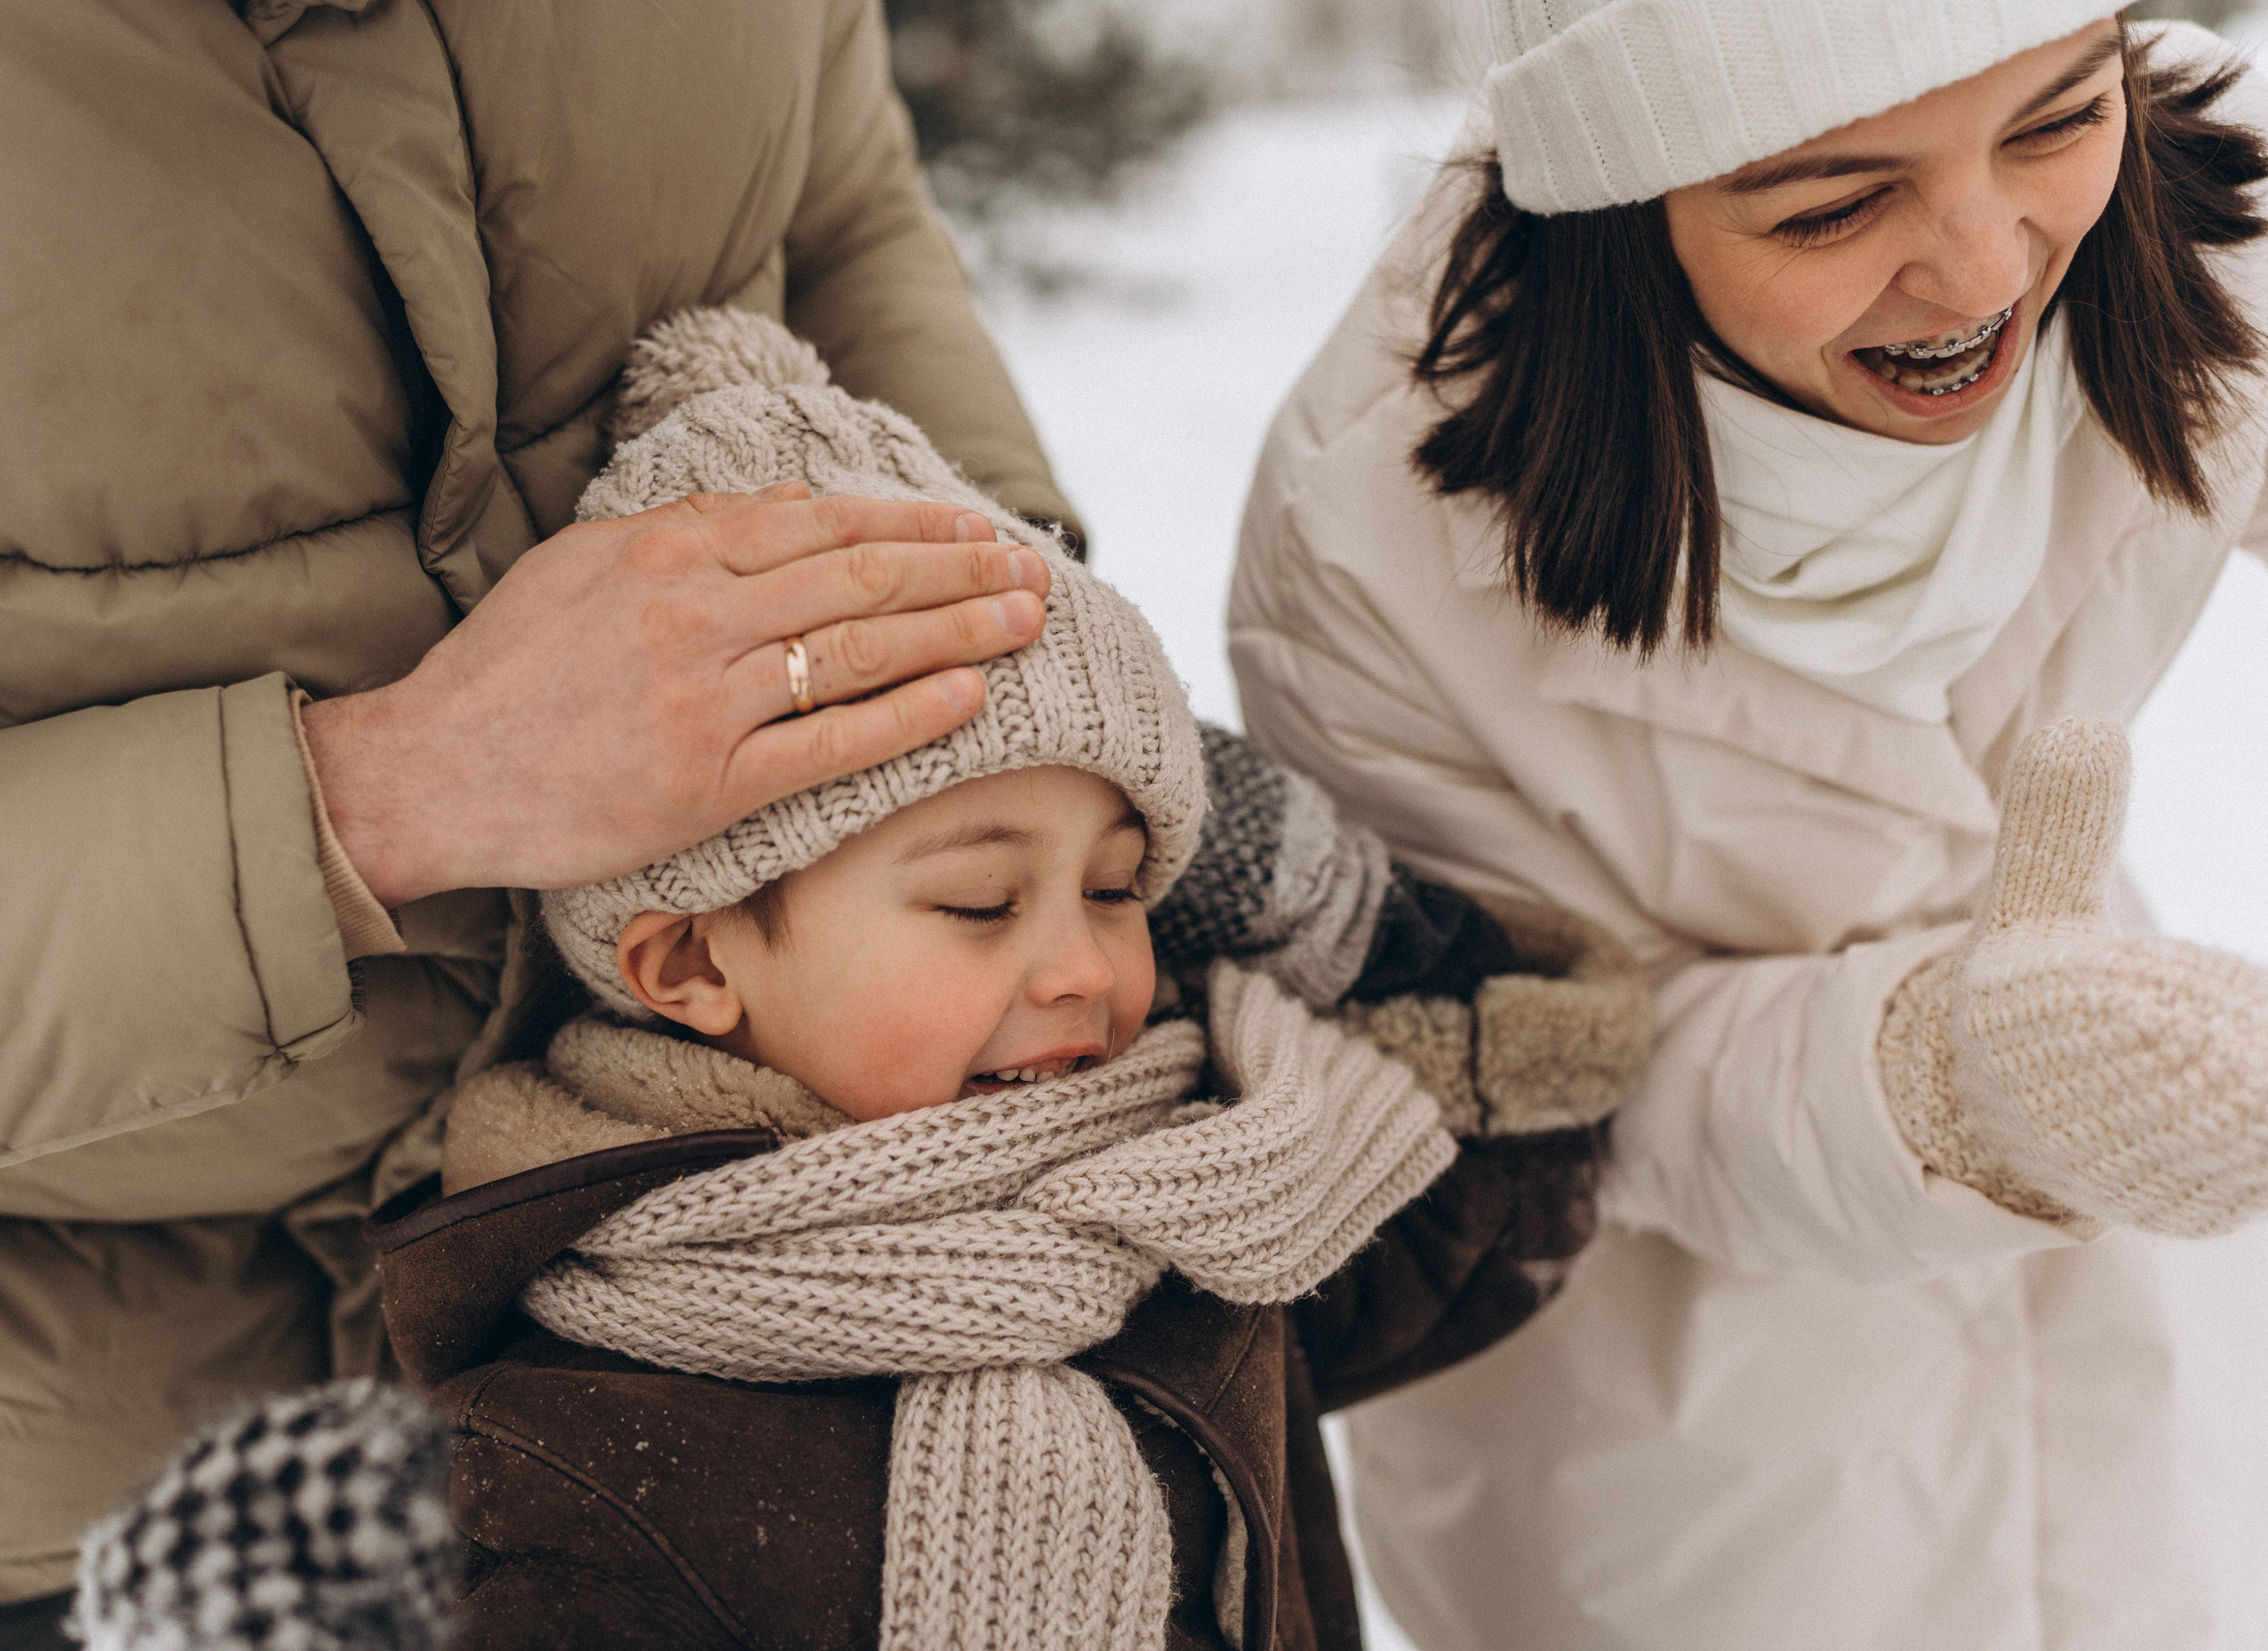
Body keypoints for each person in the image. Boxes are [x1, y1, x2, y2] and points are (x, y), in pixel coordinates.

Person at [0, 2, 1080, 1639]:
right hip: (19, 1507)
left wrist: (1028, 692)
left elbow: (827, 206)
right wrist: (391, 789)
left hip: (679, 1377)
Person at [347, 308, 1644, 1651]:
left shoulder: (1218, 1198)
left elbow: (1525, 1138)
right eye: (980, 900)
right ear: (690, 959)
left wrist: (1312, 895)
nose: (1083, 968)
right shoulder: (568, 1455)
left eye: (1120, 887)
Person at [1232, 6, 2268, 1649]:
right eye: (1835, 205)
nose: (1985, 267)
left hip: (2105, 1349)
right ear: (1629, 205)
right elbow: (1545, 1062)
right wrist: (1946, 1086)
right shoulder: (1370, 543)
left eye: (2055, 121)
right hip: (1666, 1448)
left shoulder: (2209, 199)